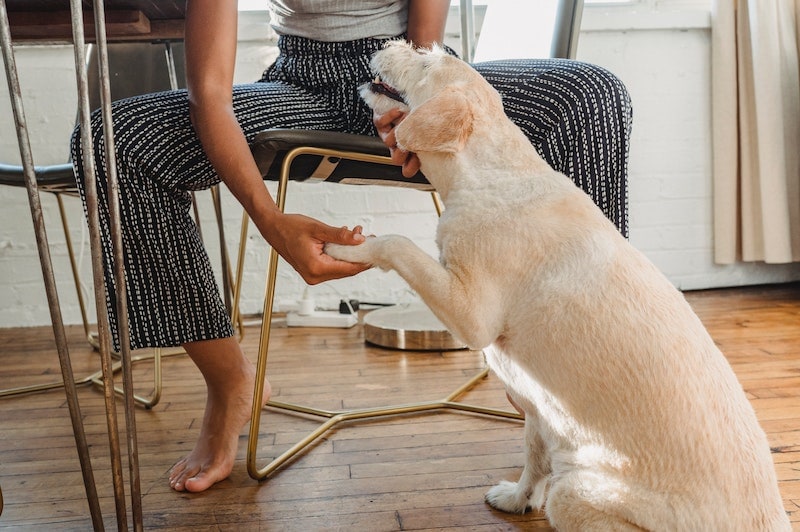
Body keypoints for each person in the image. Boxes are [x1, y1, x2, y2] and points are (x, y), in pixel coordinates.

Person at [71, 0, 632, 493]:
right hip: (300, 81)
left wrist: (408, 98)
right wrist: (270, 220)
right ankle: (230, 383)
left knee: (593, 97)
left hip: (411, 67)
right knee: (114, 142)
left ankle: (574, 377)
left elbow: (420, 45)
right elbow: (210, 94)